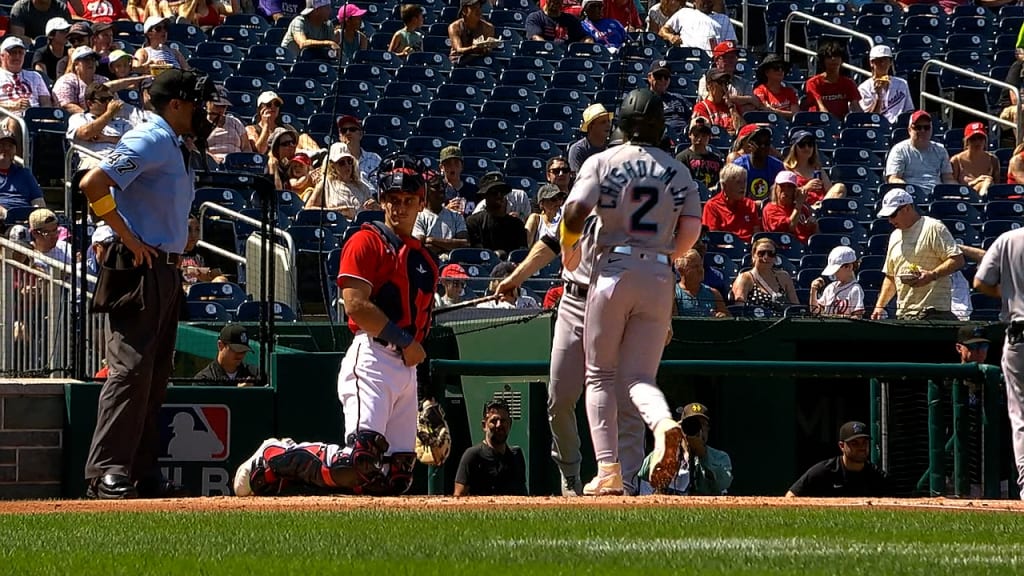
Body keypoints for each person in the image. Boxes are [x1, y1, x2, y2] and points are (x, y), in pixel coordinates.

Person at [233, 156, 438, 498]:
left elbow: (420, 323)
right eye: (393, 200)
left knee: (395, 477)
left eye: (408, 201)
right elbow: (355, 304)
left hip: (406, 367)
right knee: (358, 462)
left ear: (420, 203)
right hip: (373, 356)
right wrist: (405, 341)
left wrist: (419, 371)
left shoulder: (423, 259)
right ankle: (274, 457)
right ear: (383, 200)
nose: (400, 208)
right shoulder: (366, 240)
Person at [80, 69, 216, 499]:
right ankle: (106, 470)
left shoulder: (174, 144)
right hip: (142, 267)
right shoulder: (151, 138)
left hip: (167, 268)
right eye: (195, 102)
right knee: (130, 370)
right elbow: (93, 183)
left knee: (155, 375)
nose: (203, 110)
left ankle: (141, 470)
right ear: (174, 103)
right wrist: (127, 236)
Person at [560, 88, 701, 494]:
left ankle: (608, 471)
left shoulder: (602, 160)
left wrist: (570, 248)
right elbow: (691, 230)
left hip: (613, 268)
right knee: (639, 377)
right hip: (659, 274)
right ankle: (663, 424)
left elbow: (573, 211)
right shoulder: (679, 169)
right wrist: (666, 253)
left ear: (621, 125)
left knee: (599, 374)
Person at [494, 207, 647, 496]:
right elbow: (550, 244)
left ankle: (627, 482)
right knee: (560, 397)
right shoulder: (581, 203)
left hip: (621, 305)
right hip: (574, 301)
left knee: (625, 398)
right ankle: (571, 474)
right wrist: (516, 277)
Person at [973, 227, 1024, 499]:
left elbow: (980, 282)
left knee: (1022, 416)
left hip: (1020, 333)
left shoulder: (1009, 239)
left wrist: (1009, 295)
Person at [870, 188, 964, 320]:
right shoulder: (894, 236)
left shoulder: (933, 227)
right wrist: (879, 307)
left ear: (907, 208)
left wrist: (932, 275)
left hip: (933, 313)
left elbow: (957, 259)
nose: (890, 221)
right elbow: (891, 276)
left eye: (892, 215)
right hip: (904, 314)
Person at [638, 402, 733, 495]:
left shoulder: (719, 457)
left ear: (708, 429)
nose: (697, 430)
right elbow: (643, 473)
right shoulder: (669, 451)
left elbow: (723, 483)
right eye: (691, 425)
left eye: (702, 425)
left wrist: (703, 456)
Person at [786, 421, 890, 497]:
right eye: (855, 443)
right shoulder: (823, 471)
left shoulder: (878, 477)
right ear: (842, 446)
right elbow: (791, 496)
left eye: (864, 442)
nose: (862, 447)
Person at [453, 399, 528, 496]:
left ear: (510, 424)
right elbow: (459, 496)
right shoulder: (472, 455)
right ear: (484, 425)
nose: (499, 425)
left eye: (503, 421)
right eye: (494, 421)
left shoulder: (516, 455)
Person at [884, 110, 957, 198]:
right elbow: (893, 178)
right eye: (918, 127)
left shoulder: (941, 150)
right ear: (909, 130)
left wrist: (956, 192)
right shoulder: (899, 150)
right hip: (911, 196)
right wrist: (905, 188)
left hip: (937, 196)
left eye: (926, 127)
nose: (922, 131)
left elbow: (948, 178)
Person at [66, 82, 133, 169]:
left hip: (120, 161)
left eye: (110, 99)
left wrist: (106, 138)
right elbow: (85, 133)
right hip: (92, 160)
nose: (108, 103)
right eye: (103, 100)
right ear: (90, 104)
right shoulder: (79, 118)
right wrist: (109, 114)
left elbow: (132, 143)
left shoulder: (123, 122)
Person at [305, 142, 376, 218]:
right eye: (342, 163)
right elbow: (308, 210)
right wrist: (339, 212)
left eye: (349, 161)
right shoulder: (326, 184)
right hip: (335, 227)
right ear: (332, 165)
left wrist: (375, 207)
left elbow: (374, 211)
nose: (347, 165)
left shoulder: (362, 187)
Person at [731, 237, 799, 315]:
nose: (766, 257)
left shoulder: (784, 277)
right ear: (753, 256)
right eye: (761, 253)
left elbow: (795, 306)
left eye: (771, 254)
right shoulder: (745, 278)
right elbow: (739, 309)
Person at [465, 172, 528, 255]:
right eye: (494, 192)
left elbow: (521, 253)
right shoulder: (473, 222)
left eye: (502, 192)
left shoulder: (516, 224)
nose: (499, 195)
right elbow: (475, 252)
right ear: (485, 195)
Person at [782, 130, 846, 208]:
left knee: (840, 187)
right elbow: (784, 195)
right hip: (800, 208)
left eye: (810, 144)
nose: (807, 148)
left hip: (821, 206)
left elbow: (830, 191)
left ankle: (820, 209)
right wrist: (806, 188)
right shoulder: (787, 168)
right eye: (802, 144)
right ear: (794, 148)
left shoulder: (817, 168)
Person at [413, 170, 469, 258]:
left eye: (443, 186)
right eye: (436, 186)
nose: (442, 189)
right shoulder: (418, 216)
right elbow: (420, 244)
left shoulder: (456, 216)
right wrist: (450, 246)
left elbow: (464, 243)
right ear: (425, 190)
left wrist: (431, 240)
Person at [700, 162, 760, 243]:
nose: (743, 186)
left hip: (749, 250)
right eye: (738, 182)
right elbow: (712, 237)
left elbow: (757, 236)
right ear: (725, 186)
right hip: (725, 249)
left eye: (744, 181)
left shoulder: (750, 204)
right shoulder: (712, 206)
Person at [802, 40, 860, 119]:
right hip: (819, 123)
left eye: (837, 56)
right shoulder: (813, 82)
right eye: (829, 57)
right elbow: (820, 107)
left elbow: (855, 106)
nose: (833, 59)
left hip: (841, 124)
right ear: (823, 60)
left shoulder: (848, 83)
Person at [857, 44, 913, 124]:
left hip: (898, 126)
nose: (882, 63)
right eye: (879, 60)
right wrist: (878, 97)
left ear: (890, 62)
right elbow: (868, 120)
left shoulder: (902, 83)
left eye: (885, 60)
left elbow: (909, 111)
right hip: (877, 128)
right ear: (871, 63)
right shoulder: (864, 88)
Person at [762, 170, 818, 245]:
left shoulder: (803, 208)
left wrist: (813, 226)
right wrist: (799, 205)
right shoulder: (770, 208)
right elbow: (789, 227)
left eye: (790, 187)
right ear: (776, 188)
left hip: (805, 247)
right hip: (784, 248)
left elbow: (815, 233)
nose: (786, 190)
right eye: (782, 186)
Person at [193, 324, 259, 385]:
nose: (240, 355)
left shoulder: (255, 374)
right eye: (236, 350)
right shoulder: (204, 379)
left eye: (243, 351)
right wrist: (239, 393)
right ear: (220, 345)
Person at [732, 124, 784, 201]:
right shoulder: (738, 165)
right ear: (750, 145)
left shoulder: (777, 166)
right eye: (759, 143)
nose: (763, 146)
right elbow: (732, 195)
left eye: (766, 143)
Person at [810, 246, 865, 318]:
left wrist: (836, 317)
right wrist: (813, 291)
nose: (834, 273)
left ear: (849, 267)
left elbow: (857, 316)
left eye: (837, 270)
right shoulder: (830, 288)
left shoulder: (855, 289)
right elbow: (815, 312)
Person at [673, 250, 729, 318]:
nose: (700, 270)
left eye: (701, 266)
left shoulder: (714, 293)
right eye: (695, 267)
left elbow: (729, 320)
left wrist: (723, 316)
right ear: (681, 270)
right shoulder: (673, 294)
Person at [950, 122, 1000, 197]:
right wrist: (976, 181)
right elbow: (952, 186)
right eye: (973, 139)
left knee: (988, 181)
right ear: (966, 142)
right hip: (964, 196)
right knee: (987, 180)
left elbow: (997, 184)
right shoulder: (956, 160)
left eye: (980, 138)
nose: (977, 142)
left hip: (988, 195)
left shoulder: (993, 160)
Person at [0, 127, 46, 210]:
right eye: (2, 145)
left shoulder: (25, 174)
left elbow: (38, 200)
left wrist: (40, 214)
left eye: (10, 146)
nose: (6, 149)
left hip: (25, 216)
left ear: (15, 151)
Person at [204, 89, 251, 164]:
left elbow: (246, 148)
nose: (220, 109)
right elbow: (195, 148)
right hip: (210, 164)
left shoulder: (235, 122)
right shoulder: (200, 123)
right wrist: (212, 159)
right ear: (208, 103)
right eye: (217, 105)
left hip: (236, 163)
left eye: (223, 106)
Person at [676, 117, 722, 190]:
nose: (700, 139)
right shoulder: (682, 158)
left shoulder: (716, 159)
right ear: (689, 135)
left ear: (709, 136)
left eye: (704, 136)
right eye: (696, 135)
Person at [448, 0, 496, 67]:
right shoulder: (454, 27)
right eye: (474, 8)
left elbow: (488, 50)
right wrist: (473, 48)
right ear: (464, 10)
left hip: (480, 61)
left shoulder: (488, 27)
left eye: (479, 8)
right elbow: (459, 49)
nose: (478, 11)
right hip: (459, 61)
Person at [568, 103, 613, 173]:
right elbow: (577, 179)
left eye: (608, 121)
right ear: (591, 127)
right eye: (603, 122)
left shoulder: (612, 147)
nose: (608, 125)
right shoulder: (578, 150)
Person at [752, 54, 798, 119]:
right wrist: (787, 114)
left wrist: (774, 111)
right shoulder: (760, 91)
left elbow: (795, 114)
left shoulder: (789, 91)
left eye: (782, 68)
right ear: (767, 72)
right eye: (776, 68)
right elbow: (765, 111)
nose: (780, 70)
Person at [524, 0, 591, 44]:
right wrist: (547, 47)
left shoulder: (571, 19)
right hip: (545, 53)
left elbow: (583, 37)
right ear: (546, 1)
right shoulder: (535, 17)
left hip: (567, 54)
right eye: (553, 1)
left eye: (559, 1)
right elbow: (535, 37)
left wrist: (588, 43)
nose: (556, 3)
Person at [33, 17, 70, 82]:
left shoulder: (70, 52)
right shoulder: (41, 54)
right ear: (51, 35)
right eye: (62, 31)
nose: (67, 34)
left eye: (67, 30)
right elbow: (42, 78)